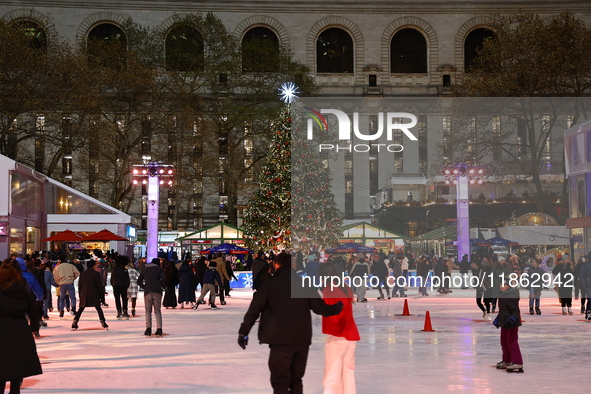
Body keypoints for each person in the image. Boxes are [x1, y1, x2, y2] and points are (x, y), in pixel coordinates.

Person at [237, 252, 343, 394]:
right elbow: (320, 308)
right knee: (296, 379)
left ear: (276, 265)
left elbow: (254, 310)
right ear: (293, 265)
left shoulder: (270, 284)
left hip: (279, 339)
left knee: (280, 380)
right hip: (301, 339)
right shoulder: (304, 284)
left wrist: (244, 332)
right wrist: (336, 307)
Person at [0, 265, 43, 394]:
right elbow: (33, 309)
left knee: (2, 361)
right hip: (20, 327)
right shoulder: (21, 290)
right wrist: (34, 327)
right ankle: (15, 389)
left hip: (1, 328)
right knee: (17, 361)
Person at [319, 262, 359, 394]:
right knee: (347, 373)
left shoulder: (330, 289)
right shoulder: (343, 286)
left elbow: (339, 308)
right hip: (349, 334)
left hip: (338, 334)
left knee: (332, 373)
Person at [493, 281, 524, 373]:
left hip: (511, 323)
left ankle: (517, 362)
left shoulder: (511, 295)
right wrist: (498, 318)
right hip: (504, 322)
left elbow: (515, 310)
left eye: (504, 285)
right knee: (504, 342)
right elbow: (503, 310)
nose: (502, 286)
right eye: (500, 284)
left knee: (512, 342)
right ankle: (507, 360)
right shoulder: (503, 294)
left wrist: (512, 320)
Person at [72, 260, 109, 331]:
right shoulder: (96, 274)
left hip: (84, 294)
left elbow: (80, 286)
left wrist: (81, 295)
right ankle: (103, 322)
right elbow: (99, 286)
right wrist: (102, 297)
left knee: (81, 308)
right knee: (98, 308)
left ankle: (75, 322)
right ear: (93, 266)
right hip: (94, 293)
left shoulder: (82, 274)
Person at [137, 258, 166, 336]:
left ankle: (148, 329)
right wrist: (161, 286)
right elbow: (164, 279)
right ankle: (159, 329)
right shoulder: (160, 270)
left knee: (148, 311)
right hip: (157, 291)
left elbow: (138, 281)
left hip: (148, 292)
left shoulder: (145, 270)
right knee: (157, 311)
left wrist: (145, 287)